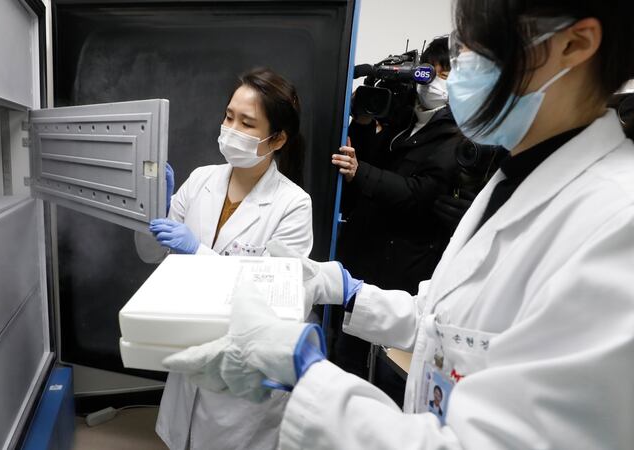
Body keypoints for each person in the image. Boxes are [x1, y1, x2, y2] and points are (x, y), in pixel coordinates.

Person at [162, 1, 634, 448]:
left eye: (478, 46)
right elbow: (446, 324)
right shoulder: (514, 181)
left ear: (574, 44)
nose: (460, 65)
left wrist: (308, 379)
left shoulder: (617, 225)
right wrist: (350, 292)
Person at [150, 68, 313, 450]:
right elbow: (155, 257)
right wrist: (152, 210)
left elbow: (275, 302)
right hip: (191, 350)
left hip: (244, 375)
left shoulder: (292, 205)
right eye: (228, 116)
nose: (231, 128)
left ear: (277, 139)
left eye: (246, 122)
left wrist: (198, 252)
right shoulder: (199, 180)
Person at [329, 38, 482, 394]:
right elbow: (369, 164)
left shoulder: (461, 139)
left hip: (401, 268)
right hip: (363, 253)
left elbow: (418, 194)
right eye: (433, 72)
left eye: (448, 74)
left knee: (381, 374)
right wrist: (364, 122)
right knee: (344, 357)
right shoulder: (402, 121)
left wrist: (360, 171)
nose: (437, 82)